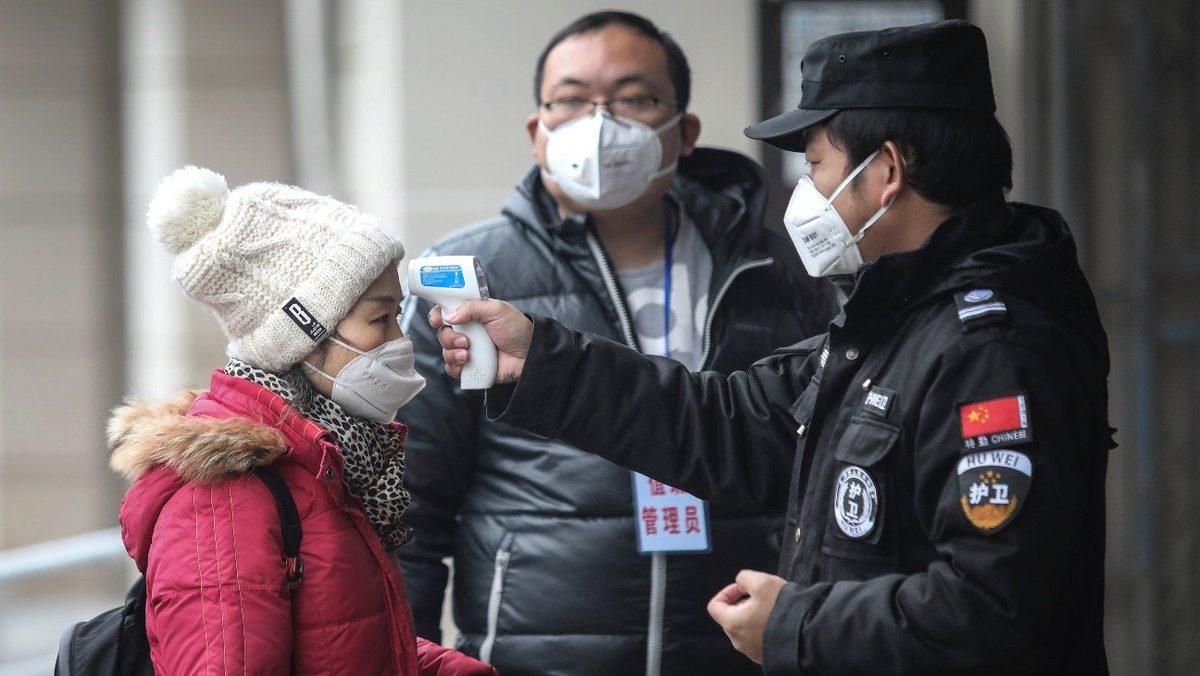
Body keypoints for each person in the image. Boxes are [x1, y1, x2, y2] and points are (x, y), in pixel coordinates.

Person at [428, 20, 1112, 674]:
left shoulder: (990, 347)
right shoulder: (895, 320)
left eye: (815, 163)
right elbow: (738, 424)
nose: (805, 190)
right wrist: (538, 360)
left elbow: (995, 609)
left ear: (887, 172)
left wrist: (793, 625)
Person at [397, 10, 837, 675]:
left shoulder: (776, 275)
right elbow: (411, 509)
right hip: (531, 658)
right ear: (537, 132)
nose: (599, 125)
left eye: (634, 99)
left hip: (736, 652)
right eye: (570, 101)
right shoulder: (468, 280)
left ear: (683, 131)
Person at [109, 166, 495, 675]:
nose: (400, 343)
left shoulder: (327, 463)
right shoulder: (224, 497)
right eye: (380, 320)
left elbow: (340, 639)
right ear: (304, 335)